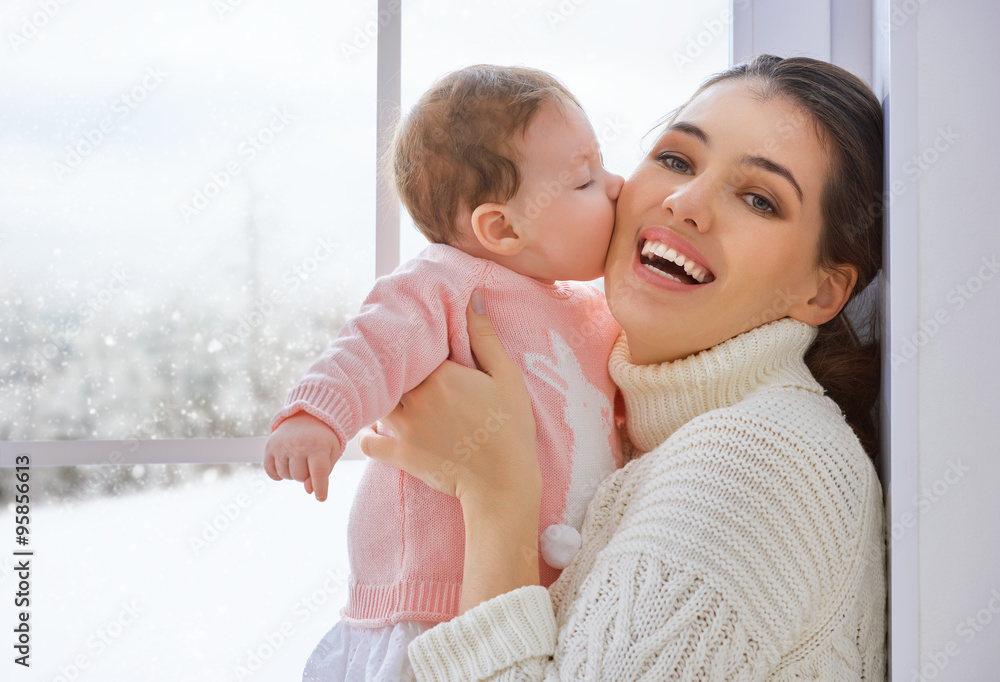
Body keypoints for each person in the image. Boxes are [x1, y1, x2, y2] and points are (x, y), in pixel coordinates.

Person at [359, 54, 887, 680]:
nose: (687, 202)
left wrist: (497, 497)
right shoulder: (630, 434)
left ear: (822, 293)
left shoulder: (764, 456)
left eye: (759, 198)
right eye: (675, 159)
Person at [262, 65, 627, 680]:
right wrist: (317, 413)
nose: (616, 186)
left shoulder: (593, 311)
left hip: (543, 597)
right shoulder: (445, 284)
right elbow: (373, 344)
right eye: (586, 180)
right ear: (503, 226)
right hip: (436, 597)